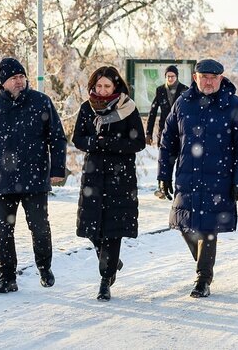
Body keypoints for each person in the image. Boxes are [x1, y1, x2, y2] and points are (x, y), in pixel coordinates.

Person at [0, 57, 67, 295]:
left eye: (22, 76)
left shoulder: (41, 102)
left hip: (35, 179)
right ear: (4, 82)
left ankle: (44, 267)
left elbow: (57, 137)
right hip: (2, 181)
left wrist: (57, 170)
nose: (19, 81)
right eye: (14, 78)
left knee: (39, 228)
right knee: (3, 232)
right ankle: (8, 279)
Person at [157, 58, 238, 298]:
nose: (209, 82)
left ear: (221, 78)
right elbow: (168, 142)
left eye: (213, 78)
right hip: (187, 178)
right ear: (195, 78)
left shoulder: (234, 105)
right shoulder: (182, 103)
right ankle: (203, 263)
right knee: (184, 225)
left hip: (219, 179)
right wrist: (163, 175)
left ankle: (203, 278)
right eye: (204, 77)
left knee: (209, 228)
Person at [72, 66, 146, 301]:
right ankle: (111, 261)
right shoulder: (87, 108)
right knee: (92, 228)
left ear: (116, 86)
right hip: (93, 175)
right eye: (99, 86)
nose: (102, 90)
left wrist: (112, 144)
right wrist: (95, 143)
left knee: (113, 230)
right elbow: (78, 138)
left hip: (120, 177)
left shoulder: (128, 108)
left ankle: (105, 279)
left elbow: (139, 142)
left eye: (107, 86)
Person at [146, 65, 189, 147]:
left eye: (172, 76)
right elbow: (152, 112)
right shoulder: (160, 90)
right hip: (164, 129)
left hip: (180, 129)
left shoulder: (184, 90)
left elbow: (190, 111)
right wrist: (149, 133)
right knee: (163, 153)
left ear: (177, 76)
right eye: (168, 76)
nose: (170, 78)